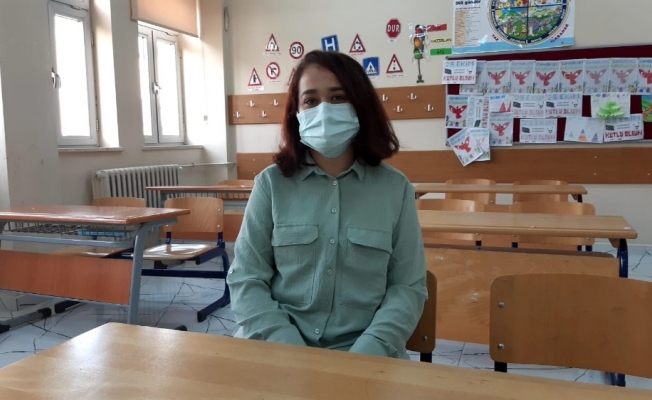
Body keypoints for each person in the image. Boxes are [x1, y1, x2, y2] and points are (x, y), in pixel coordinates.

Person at [226, 50, 427, 359]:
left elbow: (407, 287)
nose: (324, 110)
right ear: (296, 112)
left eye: (338, 98)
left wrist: (368, 352)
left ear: (360, 105)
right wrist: (288, 348)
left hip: (368, 354)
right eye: (310, 100)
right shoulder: (271, 185)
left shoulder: (395, 189)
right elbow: (246, 279)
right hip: (277, 348)